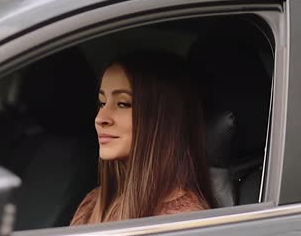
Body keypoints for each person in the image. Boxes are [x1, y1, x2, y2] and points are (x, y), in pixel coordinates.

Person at [70, 50, 215, 226]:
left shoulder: (180, 223)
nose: (100, 118)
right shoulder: (93, 203)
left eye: (123, 104)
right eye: (102, 103)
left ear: (160, 120)